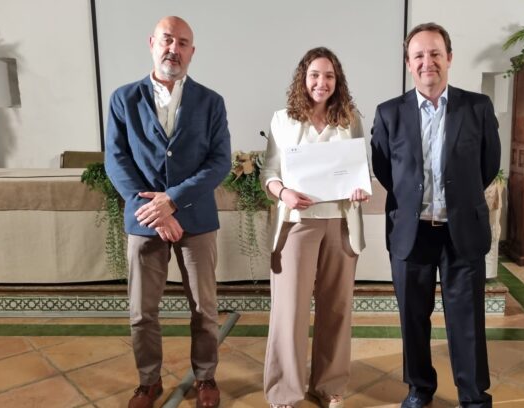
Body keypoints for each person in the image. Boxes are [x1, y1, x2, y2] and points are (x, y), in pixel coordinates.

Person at [370, 23, 500, 408]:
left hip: (462, 231)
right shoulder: (389, 113)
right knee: (413, 319)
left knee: (467, 320)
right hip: (412, 232)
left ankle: (473, 396)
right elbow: (384, 169)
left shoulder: (477, 107)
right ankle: (419, 388)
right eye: (419, 55)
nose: (427, 62)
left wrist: (458, 198)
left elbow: (488, 165)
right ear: (408, 63)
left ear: (449, 58)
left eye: (435, 53)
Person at [104, 16, 230, 408]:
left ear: (192, 51)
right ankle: (148, 382)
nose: (173, 49)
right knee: (142, 311)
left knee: (204, 309)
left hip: (196, 220)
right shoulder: (123, 98)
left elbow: (219, 161)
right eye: (167, 40)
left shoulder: (211, 102)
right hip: (144, 222)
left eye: (182, 43)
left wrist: (172, 201)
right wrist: (154, 211)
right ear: (152, 43)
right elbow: (116, 160)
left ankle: (205, 377)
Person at [260, 47, 369, 408]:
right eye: (315, 75)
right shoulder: (282, 120)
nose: (322, 82)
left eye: (329, 76)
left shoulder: (350, 119)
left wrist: (360, 187)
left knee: (336, 308)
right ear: (303, 79)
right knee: (289, 311)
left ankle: (329, 386)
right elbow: (269, 172)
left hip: (340, 222)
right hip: (297, 224)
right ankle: (284, 392)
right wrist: (284, 193)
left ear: (338, 81)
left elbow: (361, 169)